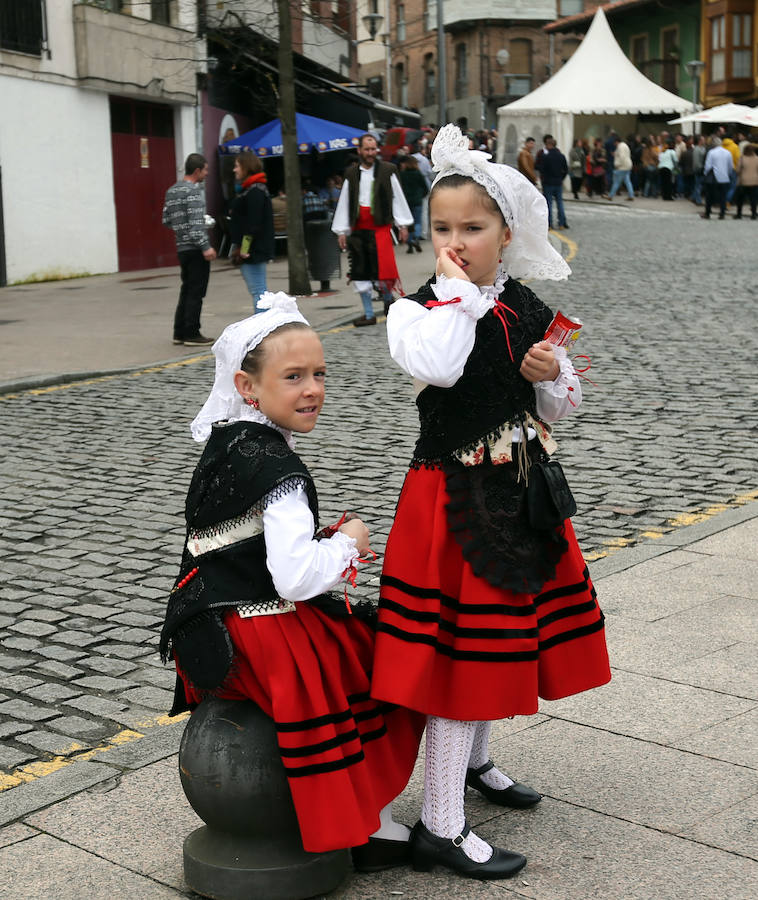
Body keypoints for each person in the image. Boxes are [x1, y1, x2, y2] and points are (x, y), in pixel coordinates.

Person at [370, 124, 611, 880]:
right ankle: (440, 823)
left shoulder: (529, 307)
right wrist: (457, 296)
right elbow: (439, 369)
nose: (457, 241)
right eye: (442, 228)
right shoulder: (418, 311)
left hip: (521, 495)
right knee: (457, 660)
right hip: (449, 506)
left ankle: (473, 765)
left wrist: (546, 372)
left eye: (473, 228)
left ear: (507, 232)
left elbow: (562, 405)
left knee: (498, 641)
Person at [159, 292, 425, 866]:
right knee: (382, 661)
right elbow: (296, 576)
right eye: (294, 376)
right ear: (248, 386)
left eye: (320, 374)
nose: (313, 389)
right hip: (258, 634)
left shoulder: (228, 440)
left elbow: (234, 544)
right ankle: (360, 820)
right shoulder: (280, 470)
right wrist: (348, 544)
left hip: (207, 624)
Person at [332, 134, 414, 326]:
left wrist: (403, 225)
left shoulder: (388, 170)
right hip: (359, 229)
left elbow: (397, 198)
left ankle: (388, 303)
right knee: (360, 271)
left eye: (373, 149)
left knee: (384, 271)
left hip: (380, 227)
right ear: (359, 151)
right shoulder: (351, 173)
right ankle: (369, 314)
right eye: (367, 149)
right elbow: (344, 201)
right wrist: (342, 230)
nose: (370, 153)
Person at [162, 153, 217, 346]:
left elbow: (166, 220)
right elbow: (195, 224)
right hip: (195, 249)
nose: (207, 174)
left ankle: (179, 332)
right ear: (197, 170)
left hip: (181, 248)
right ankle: (192, 332)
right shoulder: (193, 192)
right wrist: (206, 247)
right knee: (196, 291)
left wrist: (180, 230)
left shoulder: (171, 191)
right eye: (206, 170)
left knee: (186, 289)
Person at [230, 151, 275, 311]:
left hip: (253, 250)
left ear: (246, 167)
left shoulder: (254, 190)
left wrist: (244, 248)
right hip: (254, 248)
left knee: (259, 293)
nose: (234, 170)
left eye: (237, 166)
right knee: (258, 291)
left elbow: (253, 223)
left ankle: (263, 331)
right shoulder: (253, 189)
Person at [535, 134, 569, 229]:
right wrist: (561, 178)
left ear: (549, 145)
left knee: (548, 204)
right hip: (558, 182)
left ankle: (549, 224)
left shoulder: (546, 156)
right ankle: (561, 223)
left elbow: (541, 168)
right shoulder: (561, 156)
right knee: (560, 203)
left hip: (548, 182)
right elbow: (566, 169)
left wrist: (544, 178)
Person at [399, 155, 429, 253]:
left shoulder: (402, 174)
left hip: (406, 201)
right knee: (417, 221)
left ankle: (410, 241)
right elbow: (424, 187)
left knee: (408, 223)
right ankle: (416, 237)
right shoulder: (418, 173)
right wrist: (421, 195)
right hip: (417, 200)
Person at [702, 136, 734, 220]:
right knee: (723, 196)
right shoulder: (728, 152)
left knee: (709, 196)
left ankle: (707, 212)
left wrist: (705, 173)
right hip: (724, 177)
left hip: (713, 178)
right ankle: (722, 213)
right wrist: (728, 173)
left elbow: (708, 165)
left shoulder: (711, 152)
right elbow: (730, 166)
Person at [733, 144, 758, 219]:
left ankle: (739, 214)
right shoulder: (757, 158)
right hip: (755, 181)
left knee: (740, 198)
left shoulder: (742, 158)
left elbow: (738, 170)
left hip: (743, 181)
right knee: (753, 199)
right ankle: (753, 214)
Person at [607, 135, 634, 201]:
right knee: (627, 182)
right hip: (628, 165)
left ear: (616, 142)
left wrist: (617, 164)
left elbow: (622, 157)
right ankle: (631, 195)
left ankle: (610, 196)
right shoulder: (624, 145)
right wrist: (615, 154)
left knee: (616, 182)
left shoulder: (620, 147)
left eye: (614, 143)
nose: (614, 144)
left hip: (622, 167)